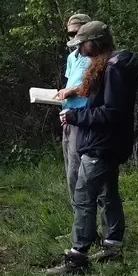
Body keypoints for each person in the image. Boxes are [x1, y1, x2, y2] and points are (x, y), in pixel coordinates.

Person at [46, 21, 138, 276]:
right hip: (107, 141)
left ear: (95, 42)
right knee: (108, 192)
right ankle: (112, 245)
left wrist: (76, 117)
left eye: (83, 43)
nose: (81, 49)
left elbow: (111, 113)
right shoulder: (105, 65)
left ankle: (76, 260)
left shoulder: (114, 69)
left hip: (103, 144)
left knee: (83, 197)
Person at [57, 14, 92, 204]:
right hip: (67, 116)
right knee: (70, 168)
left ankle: (86, 226)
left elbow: (95, 86)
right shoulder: (72, 57)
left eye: (77, 32)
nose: (73, 37)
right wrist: (63, 93)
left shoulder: (95, 58)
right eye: (70, 33)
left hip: (84, 117)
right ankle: (77, 221)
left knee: (80, 171)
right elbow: (71, 82)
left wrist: (74, 91)